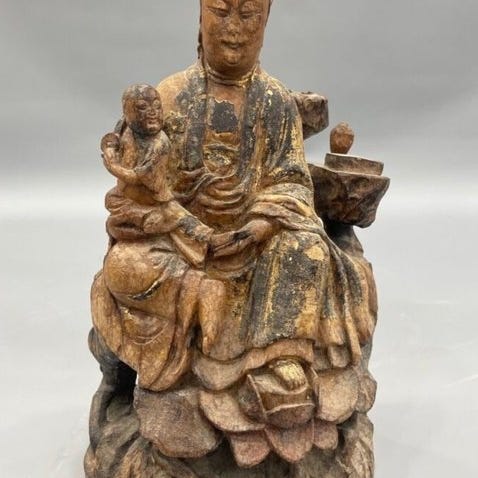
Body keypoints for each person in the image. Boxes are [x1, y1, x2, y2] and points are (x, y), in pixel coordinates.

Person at [93, 0, 376, 395]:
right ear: (201, 15)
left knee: (307, 251)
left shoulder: (276, 101)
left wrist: (256, 228)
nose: (233, 28)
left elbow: (292, 183)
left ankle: (279, 352)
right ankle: (199, 297)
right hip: (183, 246)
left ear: (266, 19)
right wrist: (151, 211)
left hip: (257, 247)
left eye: (248, 14)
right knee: (123, 265)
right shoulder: (169, 95)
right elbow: (137, 185)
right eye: (221, 11)